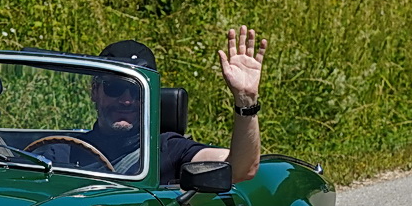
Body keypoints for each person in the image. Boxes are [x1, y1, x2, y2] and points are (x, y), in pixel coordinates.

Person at [39, 30, 266, 183]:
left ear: (151, 97)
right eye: (115, 88)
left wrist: (245, 99)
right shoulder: (60, 152)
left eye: (136, 91)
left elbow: (240, 168)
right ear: (95, 91)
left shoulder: (168, 150)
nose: (126, 100)